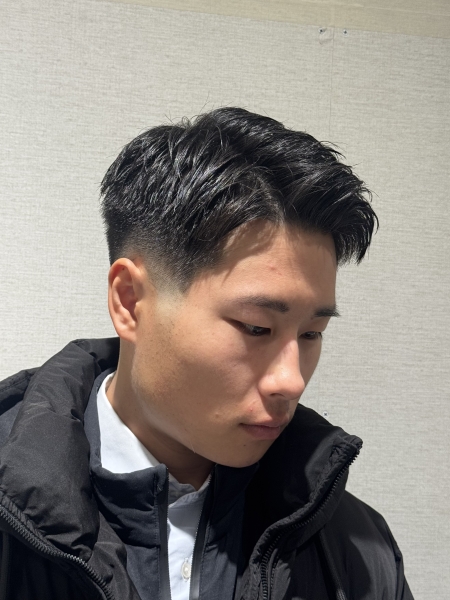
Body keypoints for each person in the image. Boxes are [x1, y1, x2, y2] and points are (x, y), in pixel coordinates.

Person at [0, 107, 413, 600]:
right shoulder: (11, 516)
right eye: (256, 328)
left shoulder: (355, 549)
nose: (292, 382)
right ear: (130, 302)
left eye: (311, 333)